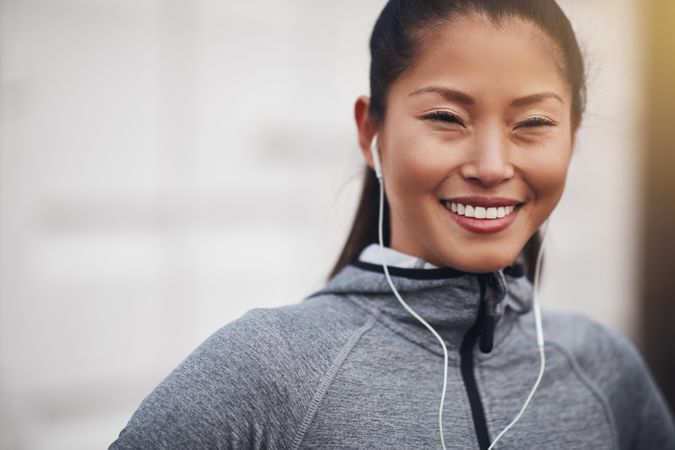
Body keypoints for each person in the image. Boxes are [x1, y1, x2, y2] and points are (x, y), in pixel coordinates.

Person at [110, 1, 675, 449]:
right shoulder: (268, 370)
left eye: (533, 123)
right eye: (445, 117)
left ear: (572, 135)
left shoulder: (604, 369)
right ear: (370, 129)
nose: (492, 166)